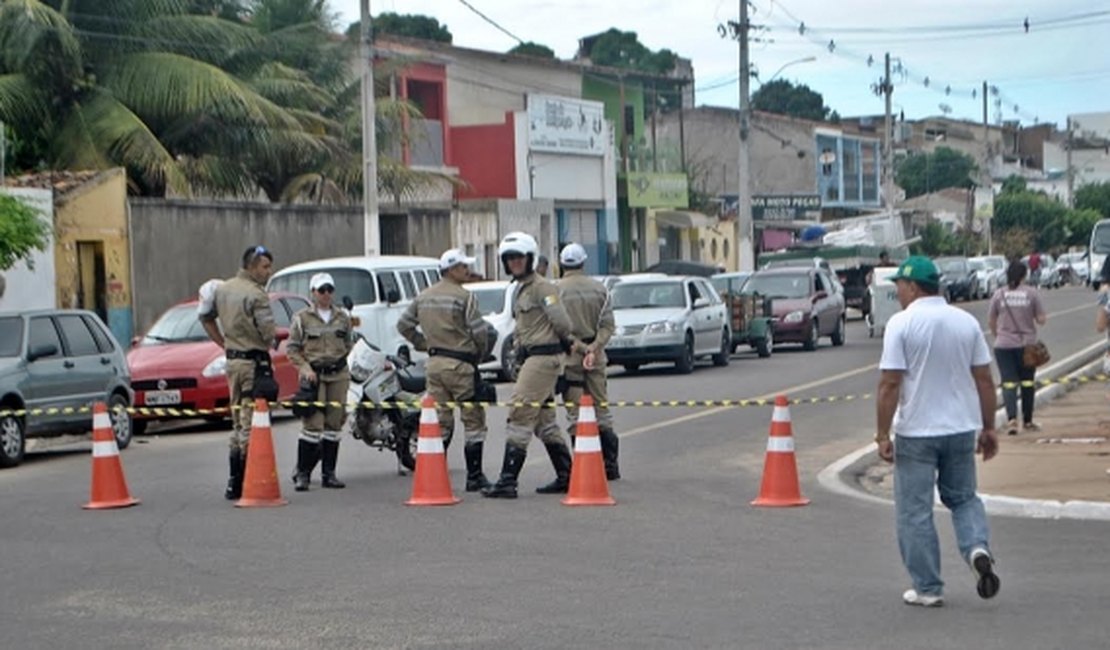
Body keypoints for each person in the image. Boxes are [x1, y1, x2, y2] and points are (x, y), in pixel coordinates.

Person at [876, 256, 1001, 607]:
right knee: (963, 498)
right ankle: (977, 548)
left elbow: (889, 384)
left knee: (914, 510)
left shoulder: (901, 324)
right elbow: (984, 381)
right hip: (961, 428)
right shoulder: (966, 322)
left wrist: (882, 435)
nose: (897, 291)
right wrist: (988, 427)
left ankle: (928, 588)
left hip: (917, 432)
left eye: (899, 285)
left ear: (913, 286)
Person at [484, 232, 588, 499]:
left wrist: (562, 344)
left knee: (519, 414)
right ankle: (567, 475)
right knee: (544, 422)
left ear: (530, 258)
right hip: (530, 358)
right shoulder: (521, 289)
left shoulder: (543, 288)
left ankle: (508, 481)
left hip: (543, 359)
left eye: (519, 258)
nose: (514, 263)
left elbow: (563, 324)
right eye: (510, 259)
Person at [397, 249, 497, 491]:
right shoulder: (464, 297)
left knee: (441, 422)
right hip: (461, 365)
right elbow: (480, 332)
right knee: (473, 421)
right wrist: (479, 354)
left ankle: (433, 475)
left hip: (434, 366)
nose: (467, 270)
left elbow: (404, 325)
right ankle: (474, 477)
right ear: (451, 270)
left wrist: (424, 344)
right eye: (463, 267)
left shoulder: (423, 296)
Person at [199, 246, 278, 500]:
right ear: (252, 266)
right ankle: (246, 479)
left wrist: (223, 342)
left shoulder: (222, 289)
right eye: (265, 266)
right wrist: (271, 341)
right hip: (252, 363)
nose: (268, 272)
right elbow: (268, 333)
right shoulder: (256, 294)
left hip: (232, 362)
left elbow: (205, 317)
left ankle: (233, 482)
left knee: (236, 421)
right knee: (250, 421)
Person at [557, 242, 620, 480]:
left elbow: (558, 328)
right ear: (584, 262)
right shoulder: (600, 289)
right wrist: (594, 348)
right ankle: (610, 466)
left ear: (562, 263)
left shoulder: (556, 290)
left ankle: (583, 461)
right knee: (601, 409)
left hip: (570, 357)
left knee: (575, 412)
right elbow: (608, 325)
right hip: (597, 356)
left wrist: (581, 348)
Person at [286, 273, 355, 491]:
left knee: (334, 424)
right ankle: (303, 474)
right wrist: (305, 369)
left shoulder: (342, 317)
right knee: (312, 425)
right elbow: (292, 349)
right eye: (321, 290)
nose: (326, 294)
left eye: (329, 290)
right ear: (313, 293)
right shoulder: (302, 318)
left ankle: (329, 474)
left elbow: (349, 344)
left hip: (338, 375)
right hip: (313, 377)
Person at [988, 261, 1047, 435]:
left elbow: (991, 320)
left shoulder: (999, 294)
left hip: (1003, 346)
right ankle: (1027, 421)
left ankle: (1012, 420)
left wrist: (999, 336)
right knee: (1027, 383)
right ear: (1024, 276)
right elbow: (1041, 319)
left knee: (1008, 383)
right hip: (1026, 346)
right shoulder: (1031, 294)